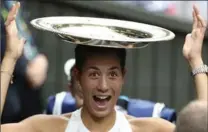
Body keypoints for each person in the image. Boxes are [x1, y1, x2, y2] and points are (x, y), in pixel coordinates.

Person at [1, 2, 207, 132]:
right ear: (77, 77)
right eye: (93, 74)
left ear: (123, 77)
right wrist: (10, 58)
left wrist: (195, 60)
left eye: (113, 74)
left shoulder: (147, 129)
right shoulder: (50, 127)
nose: (103, 85)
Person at [45, 58, 177, 123]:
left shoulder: (146, 117)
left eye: (111, 75)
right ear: (71, 90)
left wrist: (196, 65)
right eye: (82, 95)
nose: (100, 86)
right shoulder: (58, 110)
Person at [1, 1, 48, 123]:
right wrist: (24, 67)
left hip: (29, 101)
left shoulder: (13, 3)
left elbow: (25, 33)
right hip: (9, 101)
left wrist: (40, 57)